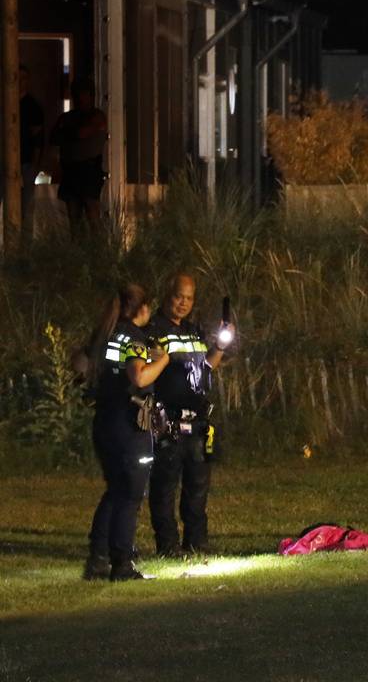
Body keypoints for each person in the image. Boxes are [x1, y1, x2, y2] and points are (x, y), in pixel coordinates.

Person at [84, 283, 169, 582]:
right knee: (131, 494)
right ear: (141, 308)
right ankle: (122, 563)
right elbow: (139, 375)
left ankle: (98, 559)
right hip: (128, 424)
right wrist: (161, 360)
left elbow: (80, 362)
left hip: (104, 421)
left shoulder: (108, 333)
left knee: (115, 490)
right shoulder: (133, 336)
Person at [146, 273, 233, 557]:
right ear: (167, 294)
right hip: (166, 422)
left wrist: (219, 346)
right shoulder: (153, 330)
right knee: (165, 488)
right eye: (178, 296)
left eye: (189, 298)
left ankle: (197, 542)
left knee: (198, 487)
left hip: (197, 422)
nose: (183, 303)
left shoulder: (193, 331)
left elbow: (206, 368)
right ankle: (168, 546)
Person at [48, 77, 107, 232]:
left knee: (92, 214)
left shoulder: (96, 115)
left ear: (91, 95)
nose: (81, 98)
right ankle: (78, 252)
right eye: (78, 94)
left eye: (84, 93)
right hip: (71, 170)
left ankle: (98, 251)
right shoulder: (68, 117)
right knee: (74, 218)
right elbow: (54, 137)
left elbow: (83, 132)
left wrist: (68, 132)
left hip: (88, 170)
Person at [19, 65, 44, 242]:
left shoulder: (33, 107)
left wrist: (35, 165)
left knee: (26, 209)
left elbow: (38, 141)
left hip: (26, 163)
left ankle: (24, 251)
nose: (20, 82)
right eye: (17, 77)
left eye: (24, 78)